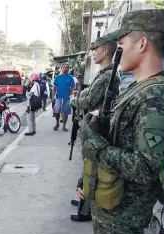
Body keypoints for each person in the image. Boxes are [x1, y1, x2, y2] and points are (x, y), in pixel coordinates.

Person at [80, 9, 164, 234]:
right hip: (113, 207)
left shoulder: (156, 98)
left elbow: (145, 167)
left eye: (123, 41)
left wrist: (97, 146)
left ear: (142, 44)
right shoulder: (138, 90)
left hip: (125, 213)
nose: (118, 49)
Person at [69, 34, 120, 222]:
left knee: (92, 165)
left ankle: (87, 206)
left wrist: (74, 101)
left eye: (96, 51)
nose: (94, 55)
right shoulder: (105, 73)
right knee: (87, 164)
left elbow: (90, 100)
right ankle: (84, 195)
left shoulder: (108, 75)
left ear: (105, 51)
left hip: (96, 127)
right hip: (92, 124)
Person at [52, 63, 75, 131]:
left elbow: (73, 88)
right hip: (58, 97)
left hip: (67, 98)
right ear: (61, 68)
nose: (65, 68)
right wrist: (53, 97)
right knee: (57, 111)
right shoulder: (58, 77)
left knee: (66, 112)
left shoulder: (70, 77)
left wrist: (73, 96)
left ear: (68, 69)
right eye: (64, 67)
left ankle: (64, 126)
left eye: (67, 67)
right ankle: (57, 123)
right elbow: (54, 88)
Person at [25, 72, 40, 136]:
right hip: (35, 103)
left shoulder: (34, 85)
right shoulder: (37, 84)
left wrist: (26, 89)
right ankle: (33, 130)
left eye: (31, 77)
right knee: (33, 117)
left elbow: (29, 95)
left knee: (29, 117)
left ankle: (31, 131)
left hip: (31, 103)